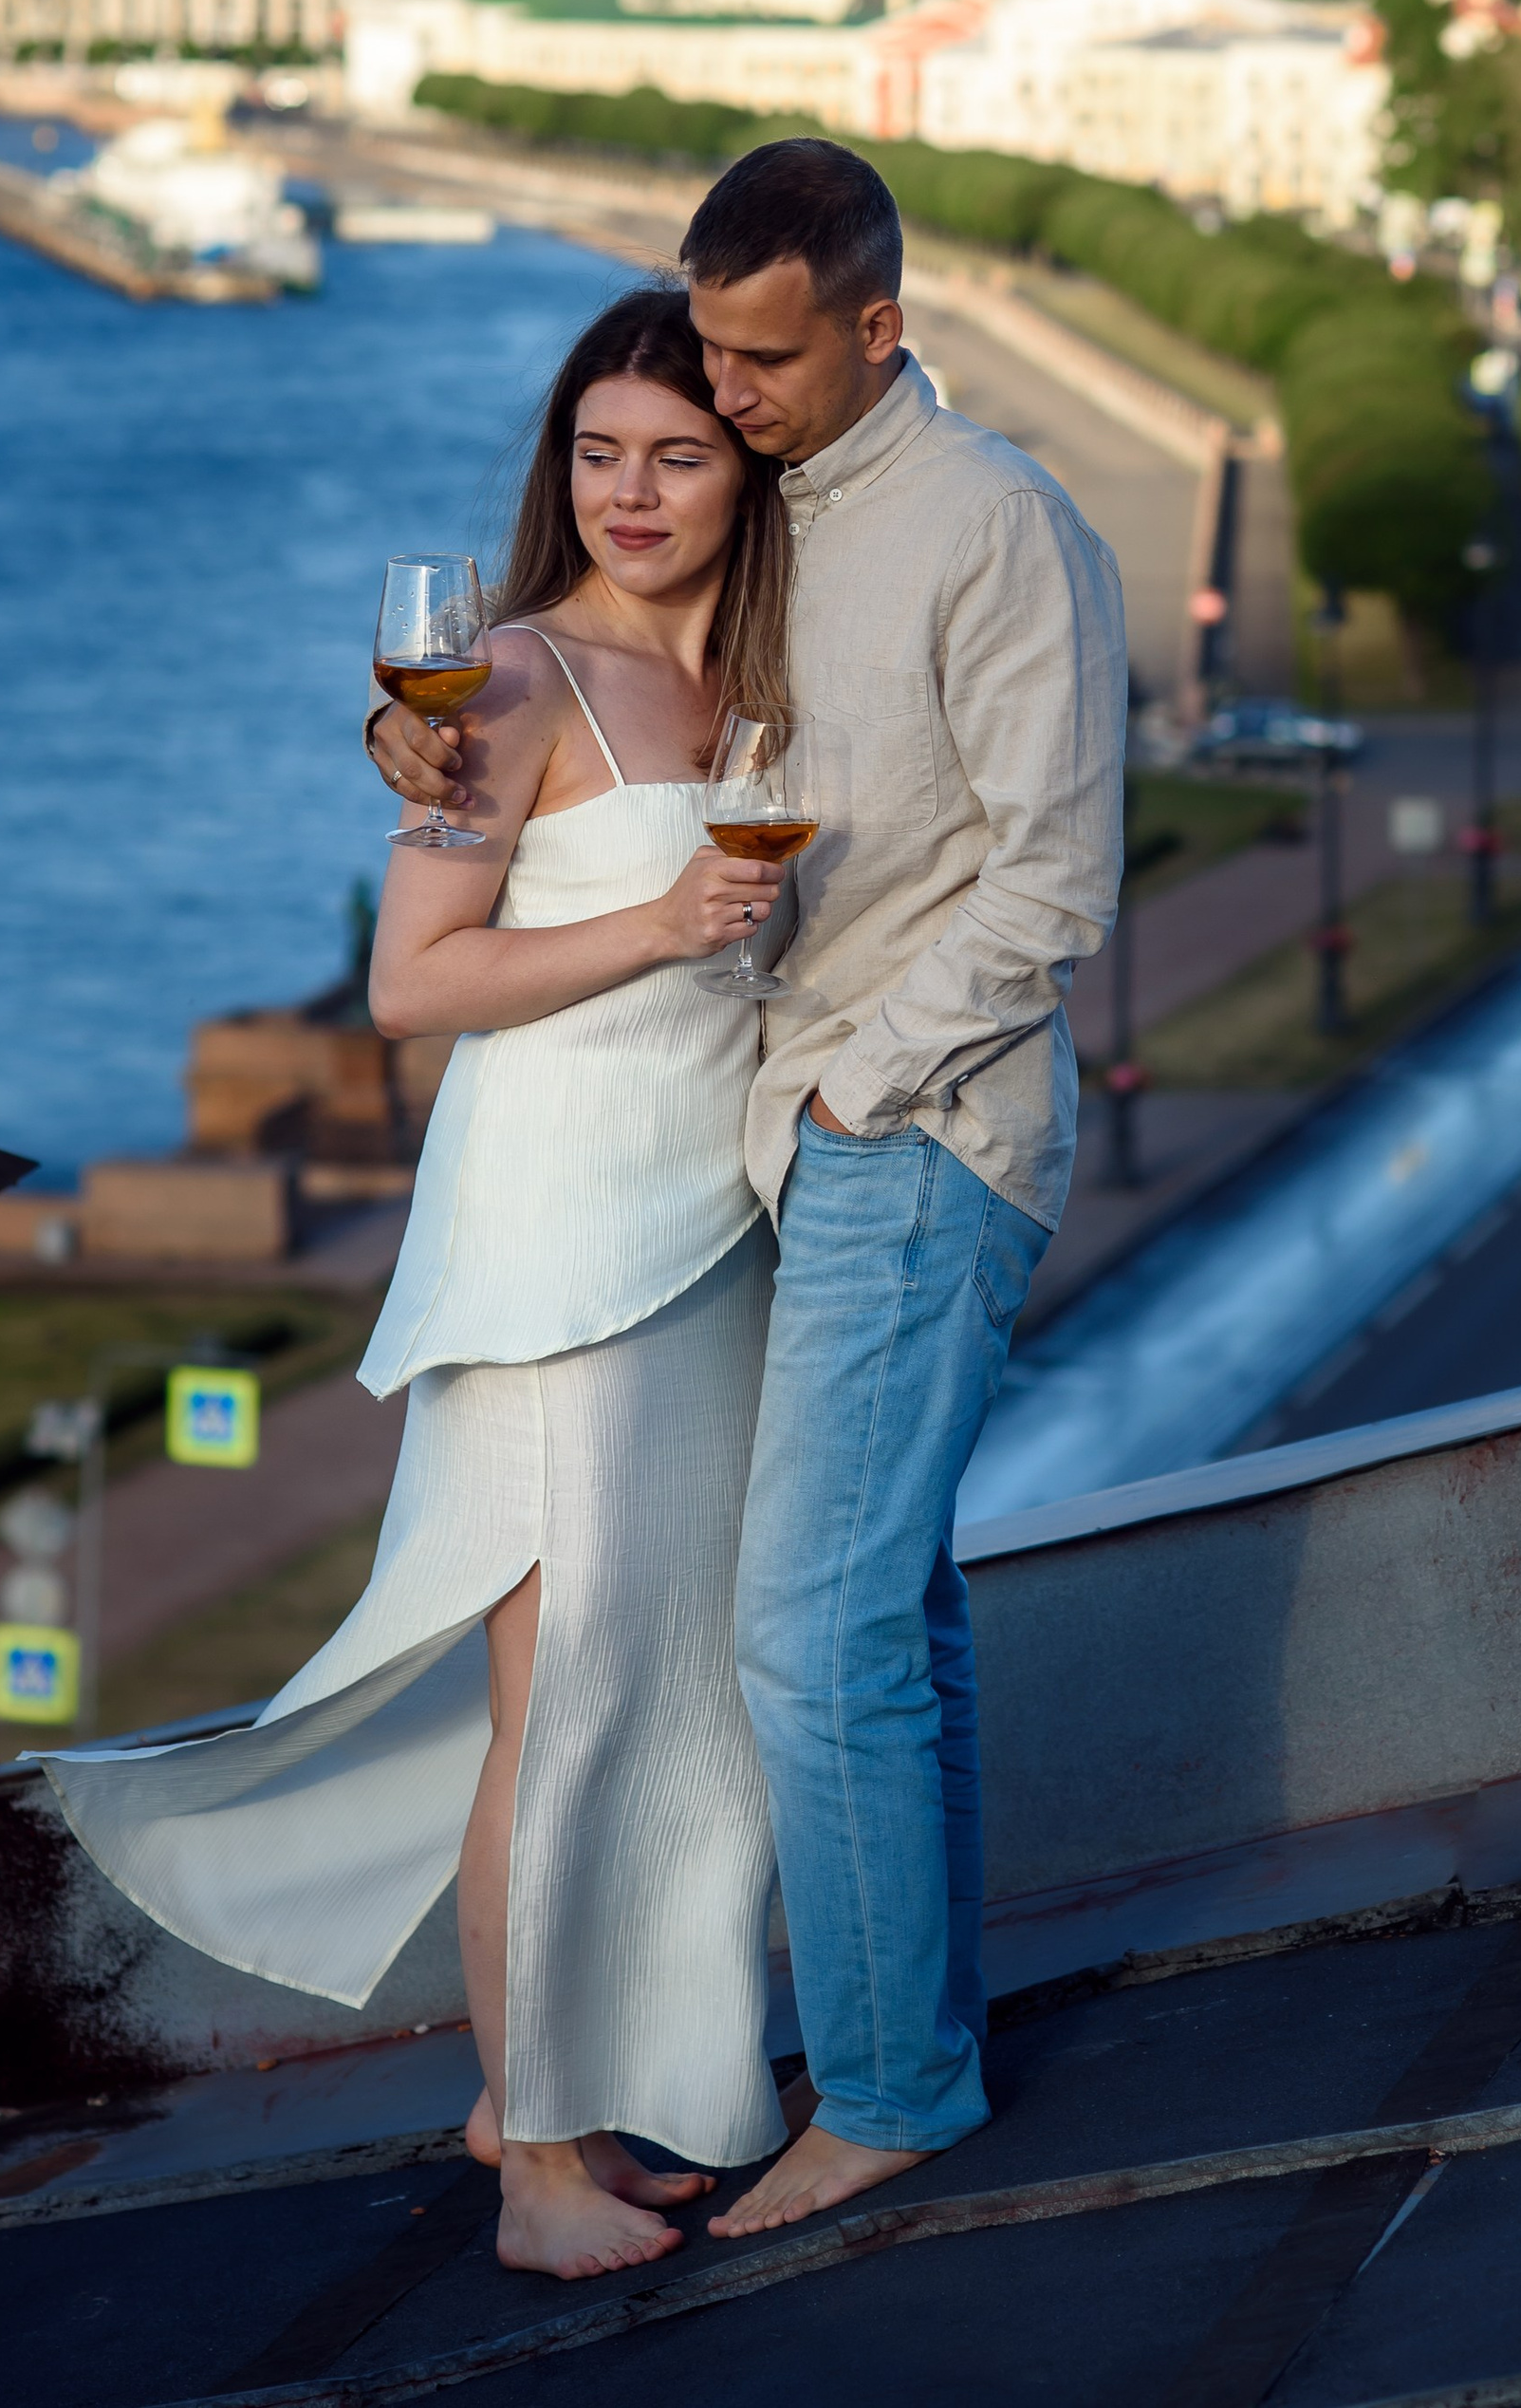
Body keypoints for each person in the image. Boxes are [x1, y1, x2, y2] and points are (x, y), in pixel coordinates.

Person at [372, 139, 1127, 2238]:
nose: (722, 402)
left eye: (754, 370)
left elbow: (1057, 881)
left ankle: (882, 2088)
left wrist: (853, 1097)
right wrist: (428, 741)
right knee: (859, 1627)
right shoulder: (787, 517)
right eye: (701, 362)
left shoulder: (986, 520)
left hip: (898, 1127)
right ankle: (856, 2061)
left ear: (880, 329)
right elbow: (532, 715)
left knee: (803, 1632)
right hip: (690, 1186)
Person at [51, 287, 794, 2282]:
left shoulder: (764, 688)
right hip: (555, 1250)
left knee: (670, 1699)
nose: (631, 492)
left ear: (751, 468)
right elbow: (409, 984)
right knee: (561, 1714)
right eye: (597, 451)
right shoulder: (516, 679)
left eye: (679, 454)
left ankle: (557, 2095)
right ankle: (533, 2166)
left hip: (708, 1235)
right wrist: (659, 922)